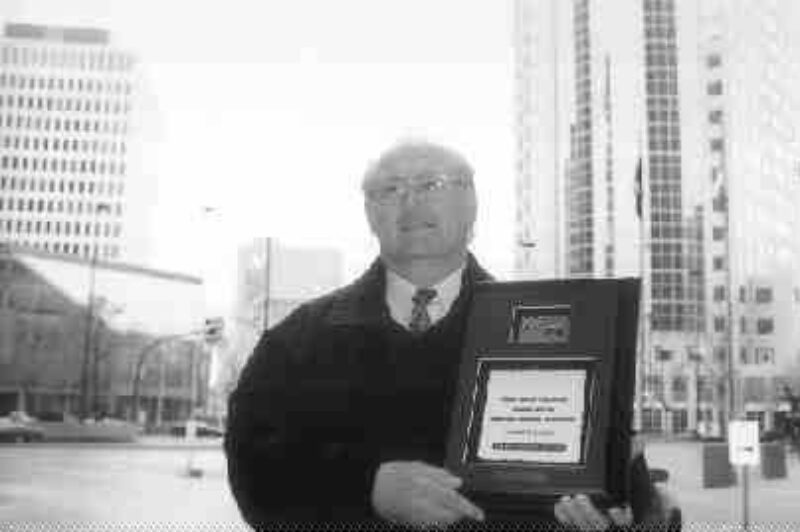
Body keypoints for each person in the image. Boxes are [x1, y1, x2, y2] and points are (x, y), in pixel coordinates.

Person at [224, 140, 680, 530]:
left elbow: (638, 505)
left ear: (471, 205)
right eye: (388, 190)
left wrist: (621, 516)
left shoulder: (567, 329)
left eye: (430, 184)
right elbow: (253, 469)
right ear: (369, 213)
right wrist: (364, 487)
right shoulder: (297, 341)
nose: (409, 201)